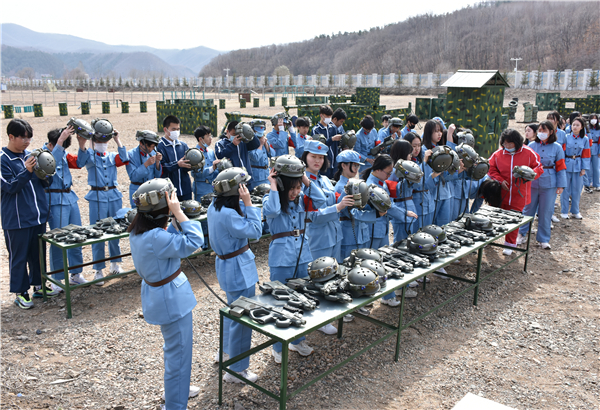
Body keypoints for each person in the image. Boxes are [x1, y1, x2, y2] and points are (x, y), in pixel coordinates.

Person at [128, 179, 204, 409]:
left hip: (159, 294)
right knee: (178, 356)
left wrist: (171, 218)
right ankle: (174, 405)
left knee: (175, 351)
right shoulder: (155, 237)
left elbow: (165, 239)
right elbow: (196, 241)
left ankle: (178, 390)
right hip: (172, 300)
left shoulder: (139, 230)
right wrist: (179, 213)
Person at [263, 155, 329, 361]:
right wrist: (274, 184)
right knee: (280, 302)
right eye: (291, 188)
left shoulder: (301, 200)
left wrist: (306, 180)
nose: (295, 192)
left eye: (298, 187)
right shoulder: (270, 199)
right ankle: (278, 347)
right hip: (281, 259)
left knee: (302, 299)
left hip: (302, 255)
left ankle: (298, 340)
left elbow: (322, 200)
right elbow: (272, 210)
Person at [208, 167, 263, 383]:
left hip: (226, 265)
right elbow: (256, 232)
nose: (247, 188)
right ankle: (238, 370)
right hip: (239, 268)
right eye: (243, 185)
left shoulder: (215, 207)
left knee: (232, 312)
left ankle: (225, 353)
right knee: (242, 318)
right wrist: (249, 204)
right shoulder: (230, 214)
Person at [2, 119, 59, 309]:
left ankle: (39, 285)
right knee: (19, 256)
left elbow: (43, 182)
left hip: (37, 216)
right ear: (11, 137)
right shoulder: (3, 159)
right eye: (23, 137)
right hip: (17, 219)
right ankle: (21, 292)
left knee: (38, 254)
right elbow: (9, 187)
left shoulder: (32, 156)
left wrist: (46, 174)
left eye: (29, 137)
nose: (27, 141)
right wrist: (27, 171)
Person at [76, 119, 128, 284]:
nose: (102, 143)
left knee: (115, 230)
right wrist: (83, 142)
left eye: (104, 140)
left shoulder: (112, 156)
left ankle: (115, 264)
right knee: (97, 232)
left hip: (113, 195)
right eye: (99, 140)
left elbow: (125, 158)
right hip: (97, 197)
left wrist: (117, 139)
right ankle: (98, 270)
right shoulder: (90, 155)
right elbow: (80, 161)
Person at [488, 128, 543, 255]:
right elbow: (491, 168)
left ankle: (510, 244)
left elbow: (538, 167)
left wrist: (531, 175)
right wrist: (500, 180)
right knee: (495, 216)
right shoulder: (498, 154)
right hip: (500, 193)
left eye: (509, 144)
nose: (507, 146)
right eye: (504, 144)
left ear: (517, 142)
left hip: (520, 193)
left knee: (514, 218)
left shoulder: (529, 153)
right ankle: (490, 239)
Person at [44, 126, 87, 286]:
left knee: (77, 236)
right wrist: (60, 142)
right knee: (59, 240)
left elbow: (80, 163)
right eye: (61, 145)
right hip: (55, 199)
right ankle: (57, 279)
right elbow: (48, 166)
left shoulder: (62, 154)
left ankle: (76, 273)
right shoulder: (43, 154)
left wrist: (81, 145)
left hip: (70, 198)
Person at [362, 154, 406, 306]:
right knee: (373, 264)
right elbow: (388, 207)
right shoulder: (371, 185)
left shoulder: (381, 182)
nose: (389, 175)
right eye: (388, 172)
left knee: (382, 262)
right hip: (374, 229)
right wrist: (404, 214)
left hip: (382, 228)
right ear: (378, 169)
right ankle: (369, 296)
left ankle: (387, 296)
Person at [517, 121, 566, 249]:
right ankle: (521, 234)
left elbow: (561, 167)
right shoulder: (531, 145)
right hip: (532, 182)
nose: (541, 133)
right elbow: (524, 164)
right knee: (527, 209)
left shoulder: (557, 147)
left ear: (551, 132)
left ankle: (543, 239)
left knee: (546, 212)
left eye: (544, 131)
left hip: (549, 183)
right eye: (540, 130)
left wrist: (561, 185)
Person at [302, 141, 354, 262]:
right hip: (318, 239)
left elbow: (336, 200)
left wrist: (347, 191)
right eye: (313, 156)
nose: (317, 161)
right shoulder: (302, 182)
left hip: (335, 235)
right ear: (305, 157)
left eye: (321, 157)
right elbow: (313, 215)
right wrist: (338, 207)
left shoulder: (325, 179)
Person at [333, 150, 376, 260]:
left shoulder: (358, 184)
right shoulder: (340, 187)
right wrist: (372, 215)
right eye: (354, 165)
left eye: (358, 165)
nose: (357, 169)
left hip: (362, 232)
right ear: (343, 165)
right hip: (349, 235)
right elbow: (346, 212)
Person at [421, 120, 456, 227]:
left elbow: (452, 154)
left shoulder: (441, 148)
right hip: (432, 193)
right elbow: (424, 174)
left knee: (445, 225)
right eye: (436, 131)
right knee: (431, 227)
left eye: (440, 131)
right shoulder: (425, 151)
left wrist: (449, 134)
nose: (439, 134)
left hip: (445, 192)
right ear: (428, 133)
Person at [388, 140, 419, 243]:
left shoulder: (409, 169)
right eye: (408, 153)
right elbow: (393, 192)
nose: (410, 155)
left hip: (409, 205)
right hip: (400, 207)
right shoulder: (393, 172)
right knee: (400, 241)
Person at [559, 117, 590, 219]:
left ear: (582, 127)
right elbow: (562, 152)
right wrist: (561, 166)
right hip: (567, 164)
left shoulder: (585, 139)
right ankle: (564, 211)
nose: (575, 127)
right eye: (573, 125)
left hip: (578, 165)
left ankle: (575, 211)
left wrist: (584, 168)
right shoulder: (566, 137)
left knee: (577, 190)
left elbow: (586, 154)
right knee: (565, 189)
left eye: (577, 125)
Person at [156, 116, 193, 201]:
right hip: (169, 191)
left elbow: (187, 165)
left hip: (185, 189)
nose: (176, 132)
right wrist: (177, 164)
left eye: (178, 129)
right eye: (173, 129)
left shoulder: (183, 145)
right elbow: (161, 168)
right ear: (165, 130)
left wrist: (192, 165)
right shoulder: (159, 147)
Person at [403, 132, 435, 228]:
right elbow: (415, 180)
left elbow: (427, 183)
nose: (417, 149)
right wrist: (424, 161)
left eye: (419, 145)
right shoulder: (406, 164)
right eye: (414, 146)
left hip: (428, 200)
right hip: (416, 201)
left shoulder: (420, 160)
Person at [126, 130, 162, 207]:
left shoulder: (153, 152)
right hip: (136, 190)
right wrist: (146, 164)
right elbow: (133, 177)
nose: (151, 149)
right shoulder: (130, 155)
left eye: (153, 146)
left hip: (151, 190)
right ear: (141, 143)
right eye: (149, 146)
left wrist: (158, 162)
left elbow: (158, 175)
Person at [312, 105, 341, 178]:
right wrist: (332, 139)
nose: (328, 118)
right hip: (323, 164)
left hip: (334, 163)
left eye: (330, 116)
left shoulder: (333, 128)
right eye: (327, 116)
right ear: (321, 115)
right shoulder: (316, 130)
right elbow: (318, 146)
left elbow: (338, 145)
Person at [191, 125, 220, 199]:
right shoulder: (194, 153)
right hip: (201, 190)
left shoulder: (210, 151)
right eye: (208, 136)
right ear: (200, 139)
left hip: (213, 189)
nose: (211, 138)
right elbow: (194, 173)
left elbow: (215, 170)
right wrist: (212, 168)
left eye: (211, 136)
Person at [248, 120, 275, 190]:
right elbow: (255, 157)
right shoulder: (249, 142)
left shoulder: (263, 140)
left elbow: (272, 154)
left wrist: (265, 144)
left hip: (266, 175)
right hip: (256, 177)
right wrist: (260, 145)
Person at [583, 113, 600, 192]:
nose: (594, 120)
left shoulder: (599, 129)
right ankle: (588, 183)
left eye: (595, 118)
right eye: (592, 118)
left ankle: (596, 184)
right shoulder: (587, 128)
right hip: (588, 149)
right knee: (588, 167)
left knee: (596, 168)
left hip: (596, 149)